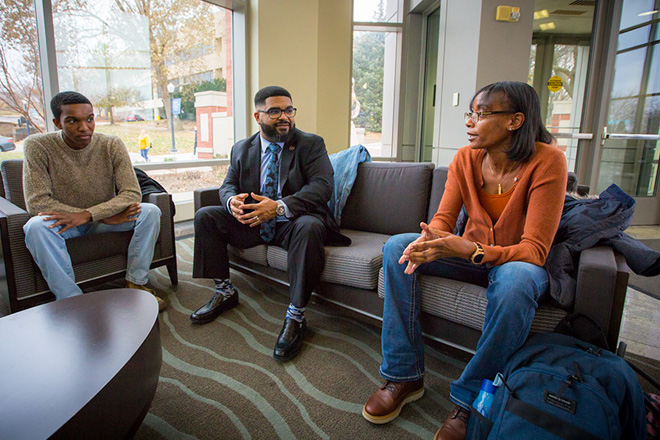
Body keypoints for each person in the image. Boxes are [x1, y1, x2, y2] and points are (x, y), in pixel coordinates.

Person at [362, 81, 567, 440]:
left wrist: (469, 250)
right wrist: (431, 239)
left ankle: (471, 399)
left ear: (515, 121)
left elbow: (535, 249)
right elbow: (443, 219)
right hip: (467, 255)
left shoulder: (548, 160)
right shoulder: (465, 158)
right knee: (398, 248)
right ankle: (403, 374)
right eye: (469, 113)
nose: (470, 122)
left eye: (481, 113)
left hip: (515, 262)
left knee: (518, 281)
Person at [191, 85, 350, 362]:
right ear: (258, 116)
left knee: (310, 226)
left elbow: (322, 187)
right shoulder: (242, 148)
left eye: (289, 110)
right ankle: (225, 291)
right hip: (253, 221)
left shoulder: (311, 144)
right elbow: (227, 184)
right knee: (206, 216)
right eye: (274, 111)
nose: (284, 117)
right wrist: (232, 203)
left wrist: (277, 207)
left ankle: (297, 315)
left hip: (292, 222)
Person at [22, 91, 166, 311]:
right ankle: (71, 300)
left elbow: (131, 193)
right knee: (35, 227)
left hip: (102, 220)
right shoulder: (37, 145)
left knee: (150, 212)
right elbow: (37, 202)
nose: (84, 127)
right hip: (69, 224)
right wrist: (95, 216)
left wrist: (91, 216)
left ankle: (136, 283)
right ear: (57, 122)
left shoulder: (111, 144)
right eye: (73, 121)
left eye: (89, 119)